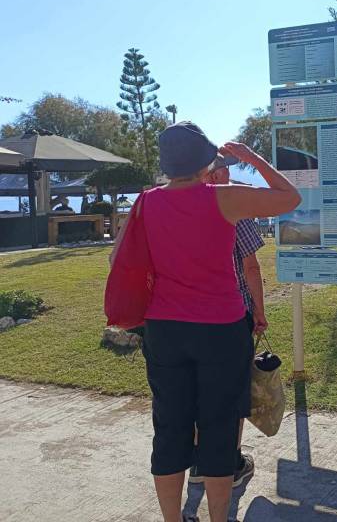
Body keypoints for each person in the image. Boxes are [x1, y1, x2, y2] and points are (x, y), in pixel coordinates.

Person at [111, 122, 300, 522]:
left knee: (170, 427)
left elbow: (117, 260)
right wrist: (253, 159)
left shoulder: (145, 203)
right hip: (221, 330)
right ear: (205, 162)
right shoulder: (224, 199)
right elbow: (290, 197)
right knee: (218, 427)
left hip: (164, 330)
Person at [182, 155, 268, 522]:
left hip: (189, 317)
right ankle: (231, 464)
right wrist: (260, 312)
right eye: (226, 174)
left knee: (199, 392)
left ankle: (200, 464)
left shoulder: (181, 208)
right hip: (232, 315)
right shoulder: (233, 210)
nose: (230, 181)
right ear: (214, 174)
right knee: (232, 394)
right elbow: (250, 265)